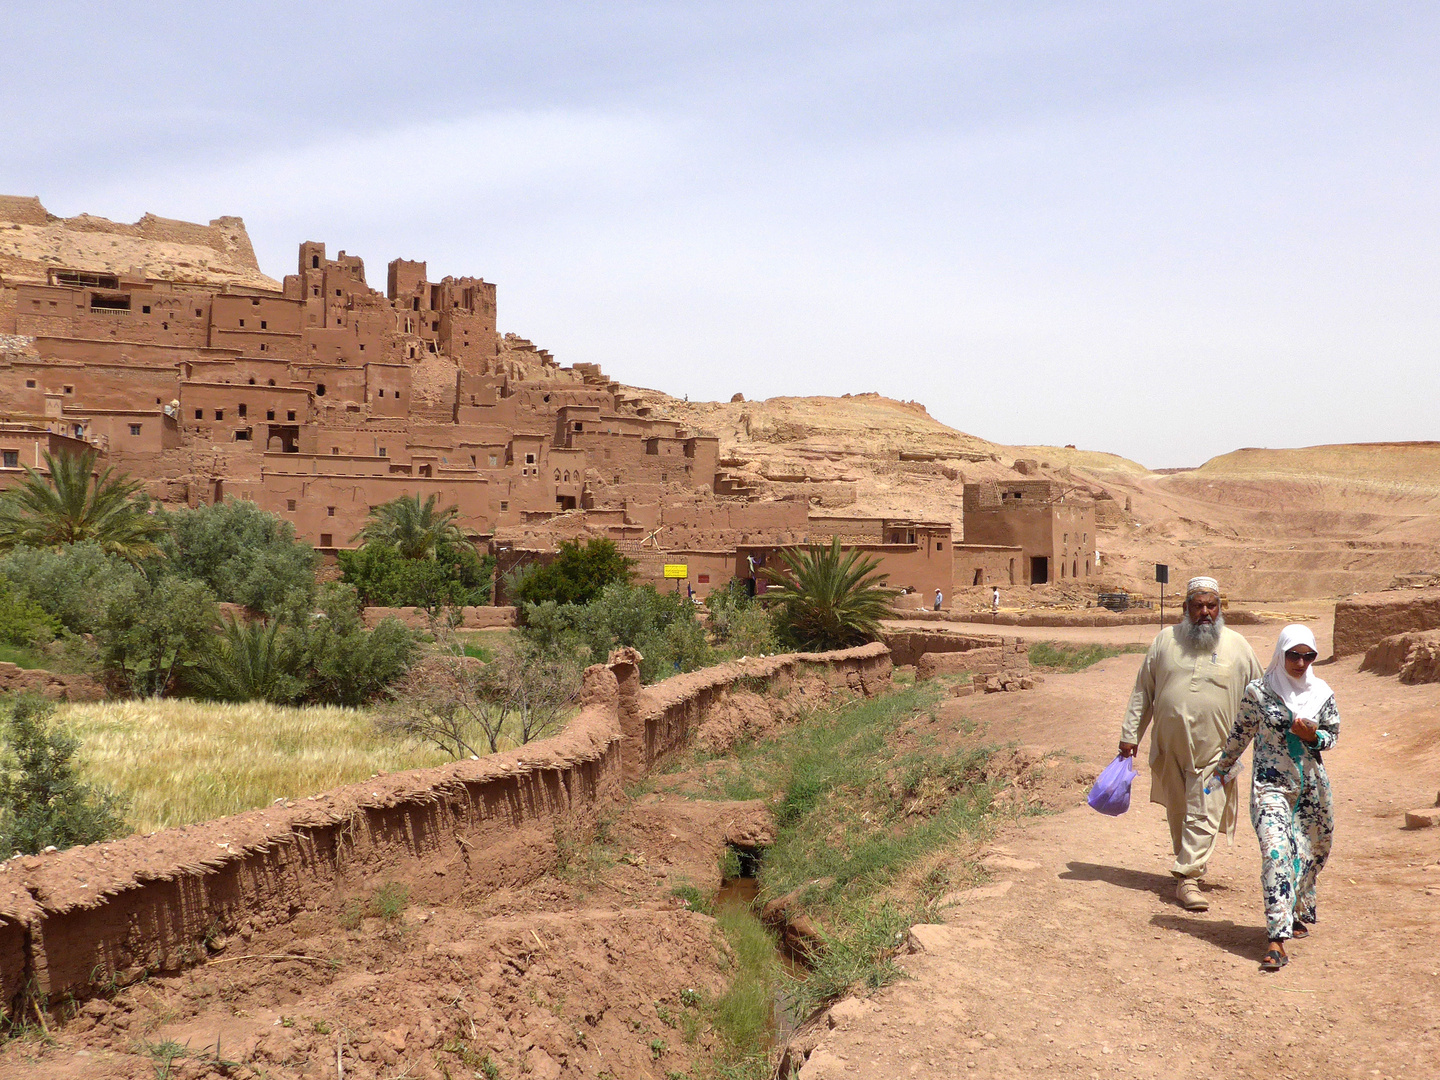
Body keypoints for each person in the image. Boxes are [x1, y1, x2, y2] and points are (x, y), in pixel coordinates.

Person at [1118, 576, 1263, 911]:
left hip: (1217, 753)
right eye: (1197, 606)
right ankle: (1188, 864)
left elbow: (1261, 695)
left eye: (1211, 605)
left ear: (1220, 608)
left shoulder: (1239, 646)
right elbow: (1144, 692)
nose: (1205, 613)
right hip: (1170, 749)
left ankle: (1188, 876)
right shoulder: (1164, 641)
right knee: (1180, 811)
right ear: (1185, 608)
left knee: (1207, 811)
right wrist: (1130, 735)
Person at [1208, 625, 1338, 971]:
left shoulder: (1322, 693)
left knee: (1311, 850)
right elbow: (1241, 733)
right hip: (1270, 786)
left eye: (1307, 656)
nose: (1300, 662)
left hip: (1311, 789)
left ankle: (1293, 909)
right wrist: (1222, 770)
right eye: (1293, 655)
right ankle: (1276, 939)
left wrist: (1314, 735)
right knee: (1277, 852)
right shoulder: (1259, 692)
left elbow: (1333, 736)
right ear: (1281, 655)